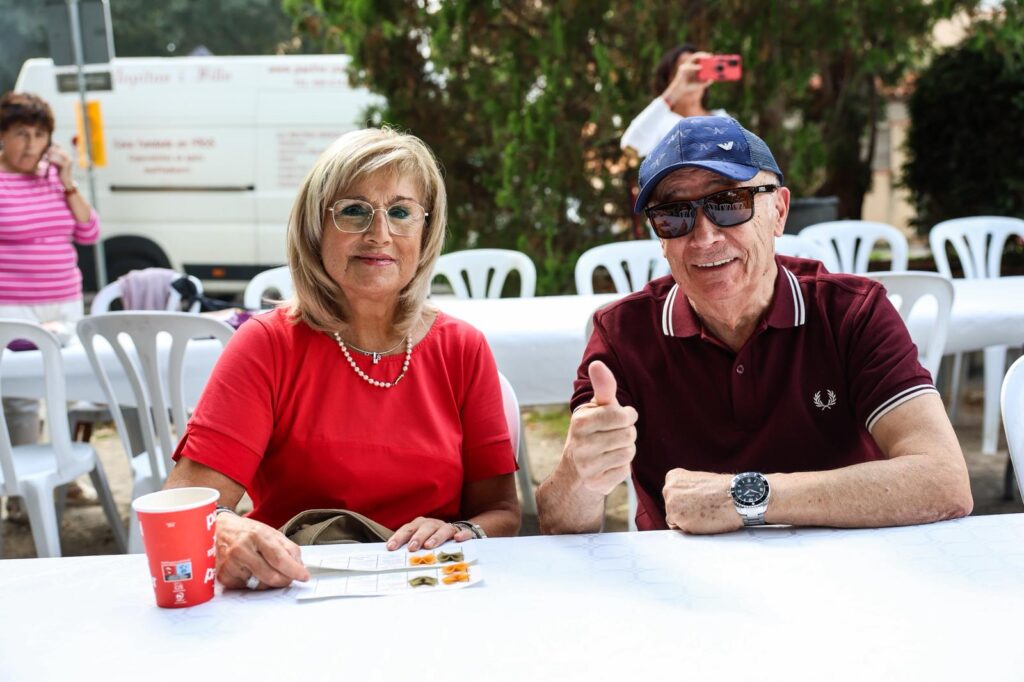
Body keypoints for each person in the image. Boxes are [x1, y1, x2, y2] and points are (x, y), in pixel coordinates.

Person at [538, 115, 973, 534]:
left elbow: (944, 481)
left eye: (729, 203)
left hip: (842, 563)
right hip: (682, 575)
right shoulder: (622, 334)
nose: (704, 237)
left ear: (779, 211)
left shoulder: (852, 312)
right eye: (674, 214)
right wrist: (580, 470)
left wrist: (745, 497)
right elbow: (560, 524)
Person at [165, 127, 521, 590]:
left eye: (401, 212)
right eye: (354, 211)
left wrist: (464, 531)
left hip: (428, 589)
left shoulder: (462, 348)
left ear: (425, 231)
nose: (379, 234)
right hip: (299, 587)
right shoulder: (267, 345)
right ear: (315, 228)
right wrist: (228, 530)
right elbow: (187, 502)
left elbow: (501, 512)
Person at [1, 91, 100, 517]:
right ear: (3, 136)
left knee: (71, 389)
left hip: (64, 302)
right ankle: (20, 494)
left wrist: (68, 179)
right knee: (21, 399)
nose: (30, 145)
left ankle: (68, 478)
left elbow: (89, 232)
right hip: (13, 306)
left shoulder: (54, 179)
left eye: (39, 135)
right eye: (21, 134)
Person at [620, 44, 728, 159]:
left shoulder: (722, 118)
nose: (692, 75)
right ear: (670, 78)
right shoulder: (661, 121)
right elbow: (630, 147)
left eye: (698, 69)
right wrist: (674, 91)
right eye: (686, 70)